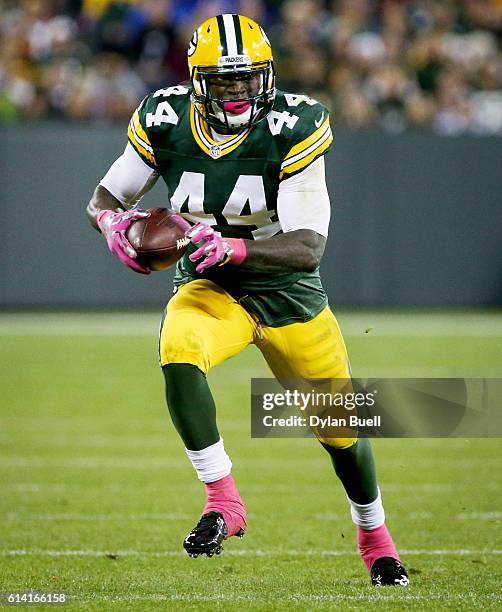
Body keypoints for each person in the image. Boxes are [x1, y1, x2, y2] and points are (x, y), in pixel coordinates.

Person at [86, 13, 409, 586]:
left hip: (287, 293)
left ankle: (375, 536)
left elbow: (308, 247)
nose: (234, 89)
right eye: (221, 79)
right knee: (178, 346)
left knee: (341, 433)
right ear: (194, 78)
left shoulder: (294, 122)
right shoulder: (165, 117)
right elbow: (108, 193)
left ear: (265, 75)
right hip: (213, 288)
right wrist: (112, 223)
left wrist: (233, 248)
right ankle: (224, 500)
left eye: (244, 78)